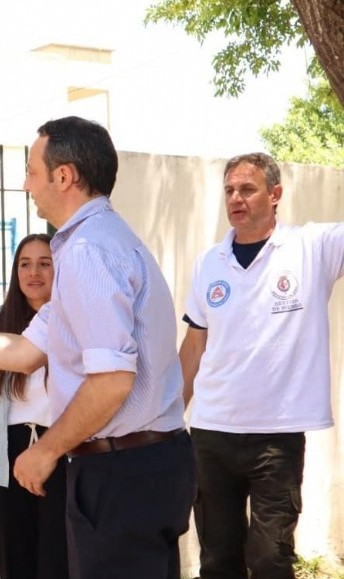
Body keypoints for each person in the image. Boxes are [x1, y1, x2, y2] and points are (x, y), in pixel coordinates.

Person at [0, 115, 195, 579]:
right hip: (140, 467)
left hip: (121, 472)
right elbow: (24, 352)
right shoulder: (93, 244)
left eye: (32, 171)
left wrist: (45, 449)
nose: (27, 184)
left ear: (64, 175)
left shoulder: (88, 251)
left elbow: (112, 381)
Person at [179, 152, 344, 579]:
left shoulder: (312, 247)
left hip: (277, 436)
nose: (236, 198)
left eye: (247, 189)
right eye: (230, 190)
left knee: (271, 558)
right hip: (212, 432)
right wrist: (169, 416)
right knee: (218, 560)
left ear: (275, 195)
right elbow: (195, 346)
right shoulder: (208, 263)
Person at [0, 232, 69, 579]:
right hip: (3, 458)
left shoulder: (74, 320)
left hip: (61, 453)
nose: (33, 272)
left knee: (59, 561)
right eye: (25, 264)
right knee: (14, 563)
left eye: (44, 264)